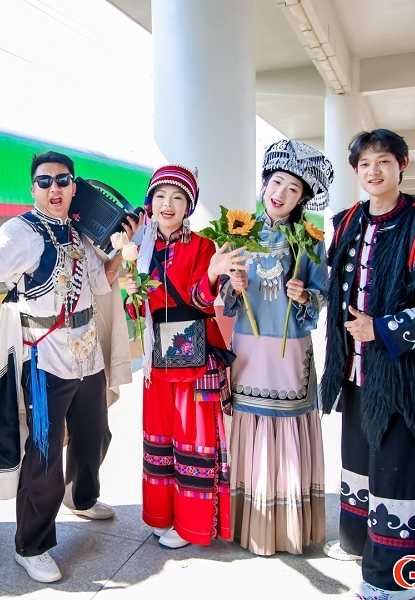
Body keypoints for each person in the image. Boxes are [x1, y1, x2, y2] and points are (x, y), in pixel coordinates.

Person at [0, 150, 137, 583]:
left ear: (75, 186)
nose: (54, 189)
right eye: (44, 181)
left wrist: (121, 252)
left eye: (62, 180)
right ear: (32, 187)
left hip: (87, 353)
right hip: (46, 357)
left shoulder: (77, 233)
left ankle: (82, 496)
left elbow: (100, 282)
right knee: (44, 451)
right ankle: (31, 544)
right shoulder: (21, 230)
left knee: (95, 434)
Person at [320, 129, 415, 600]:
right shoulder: (346, 221)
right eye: (365, 164)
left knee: (398, 472)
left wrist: (381, 329)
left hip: (407, 376)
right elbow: (339, 285)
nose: (374, 171)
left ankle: (393, 578)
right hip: (355, 372)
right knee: (361, 463)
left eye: (383, 161)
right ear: (356, 171)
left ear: (402, 164)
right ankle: (356, 543)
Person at [221, 140, 332, 556]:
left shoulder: (309, 237)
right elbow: (224, 292)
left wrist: (304, 296)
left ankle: (286, 527)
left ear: (302, 199)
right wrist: (233, 287)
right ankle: (248, 522)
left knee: (286, 425)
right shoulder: (240, 230)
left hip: (289, 351)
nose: (280, 193)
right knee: (248, 424)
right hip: (248, 344)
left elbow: (323, 294)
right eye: (276, 182)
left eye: (293, 189)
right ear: (266, 182)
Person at [124, 165, 233, 549]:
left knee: (193, 438)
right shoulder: (139, 248)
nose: (167, 204)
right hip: (157, 358)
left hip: (194, 356)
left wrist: (213, 275)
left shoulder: (202, 246)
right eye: (159, 196)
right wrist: (130, 294)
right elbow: (134, 310)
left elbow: (202, 301)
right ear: (149, 202)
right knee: (159, 434)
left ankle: (191, 524)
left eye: (177, 197)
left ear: (189, 206)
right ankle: (162, 516)